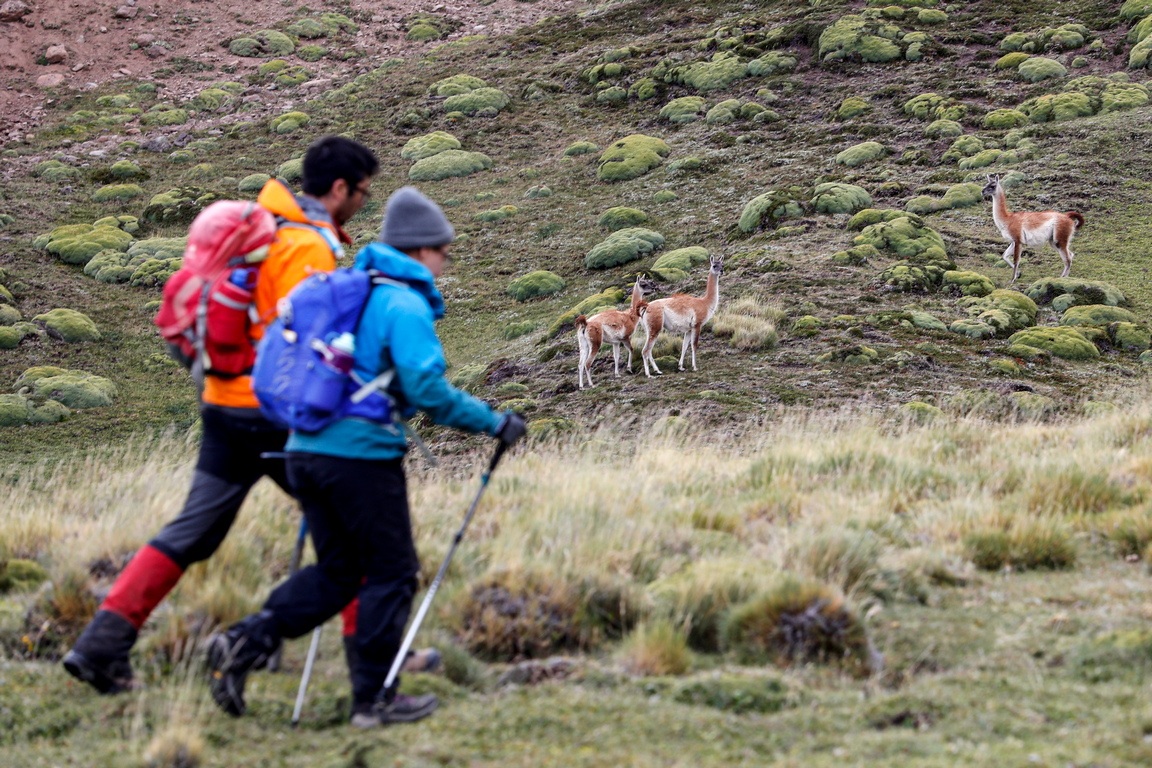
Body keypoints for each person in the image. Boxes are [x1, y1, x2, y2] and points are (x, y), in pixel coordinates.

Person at [63, 136, 380, 694]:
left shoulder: (257, 225)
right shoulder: (306, 246)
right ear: (338, 189)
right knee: (358, 536)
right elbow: (310, 342)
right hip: (276, 417)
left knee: (191, 532)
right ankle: (374, 666)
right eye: (362, 192)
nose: (363, 203)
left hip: (222, 405)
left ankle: (100, 645)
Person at [206, 187, 527, 728]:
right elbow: (427, 388)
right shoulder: (402, 303)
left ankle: (242, 643)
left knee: (339, 573)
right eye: (444, 249)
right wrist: (493, 421)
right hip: (359, 457)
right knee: (393, 572)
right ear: (421, 249)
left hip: (305, 450)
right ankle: (373, 699)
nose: (447, 259)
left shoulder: (353, 291)